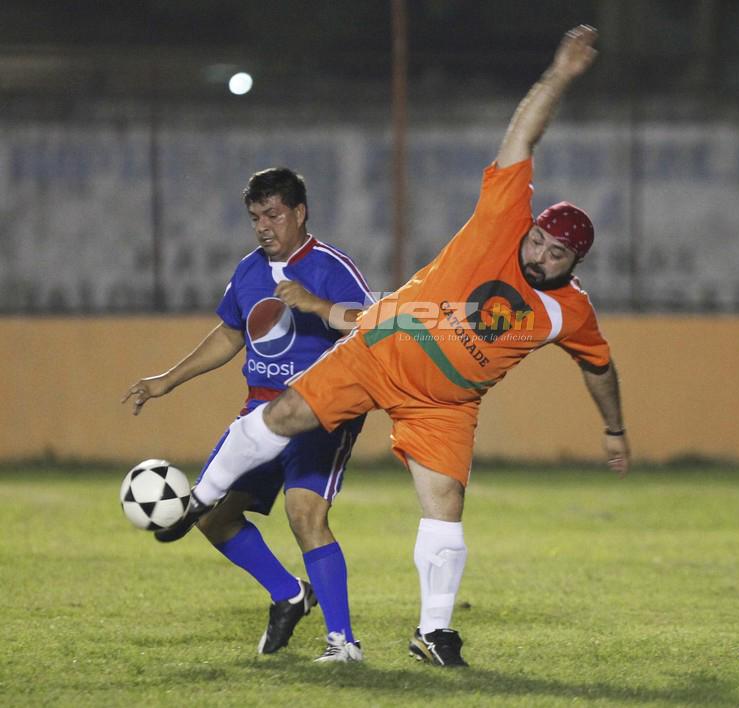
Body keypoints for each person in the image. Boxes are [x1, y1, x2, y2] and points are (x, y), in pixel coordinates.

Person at [152, 25, 628, 669]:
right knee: (284, 414)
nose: (539, 253)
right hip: (381, 349)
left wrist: (613, 429)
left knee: (446, 508)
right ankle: (203, 498)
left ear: (575, 263)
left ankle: (433, 634)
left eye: (556, 253)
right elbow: (523, 135)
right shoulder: (505, 217)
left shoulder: (571, 311)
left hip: (446, 404)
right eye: (540, 239)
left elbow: (599, 365)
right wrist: (560, 74)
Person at [122, 167, 374, 663]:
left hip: (319, 410)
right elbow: (229, 334)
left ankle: (343, 643)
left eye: (273, 215)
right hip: (260, 412)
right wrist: (167, 380)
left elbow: (370, 326)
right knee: (212, 519)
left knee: (304, 514)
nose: (263, 226)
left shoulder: (330, 266)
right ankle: (289, 594)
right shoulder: (248, 270)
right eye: (256, 217)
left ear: (299, 213)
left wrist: (316, 305)